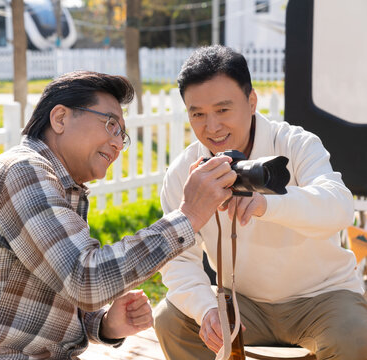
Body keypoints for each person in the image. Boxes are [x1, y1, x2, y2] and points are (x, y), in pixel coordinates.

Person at [0, 70, 236, 359]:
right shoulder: (22, 172)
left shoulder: (59, 185)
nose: (117, 144)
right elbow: (87, 280)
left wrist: (105, 325)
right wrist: (189, 216)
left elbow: (59, 285)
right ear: (60, 119)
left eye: (121, 135)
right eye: (110, 125)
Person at [153, 45, 367, 360]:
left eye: (223, 110)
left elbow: (338, 207)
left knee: (356, 336)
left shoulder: (296, 143)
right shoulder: (185, 171)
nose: (211, 127)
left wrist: (267, 204)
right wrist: (207, 309)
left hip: (322, 298)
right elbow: (178, 261)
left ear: (252, 102)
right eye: (197, 113)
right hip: (242, 302)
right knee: (170, 320)